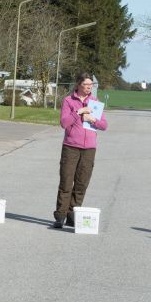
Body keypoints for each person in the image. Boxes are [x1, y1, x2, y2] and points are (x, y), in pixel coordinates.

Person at [53, 72, 108, 229]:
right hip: (71, 146)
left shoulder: (95, 102)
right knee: (66, 181)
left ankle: (72, 214)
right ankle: (60, 216)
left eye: (91, 85)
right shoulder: (69, 101)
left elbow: (104, 126)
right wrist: (78, 112)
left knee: (82, 183)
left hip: (89, 148)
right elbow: (64, 123)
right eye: (85, 84)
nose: (89, 87)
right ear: (78, 85)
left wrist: (93, 119)